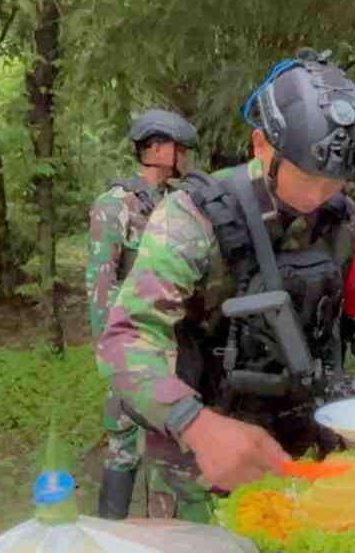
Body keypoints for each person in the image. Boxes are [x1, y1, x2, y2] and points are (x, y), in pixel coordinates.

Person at [96, 51, 355, 521]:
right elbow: (125, 339)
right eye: (308, 177)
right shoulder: (193, 217)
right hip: (203, 462)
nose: (319, 196)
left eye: (335, 182)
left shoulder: (345, 222)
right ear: (261, 145)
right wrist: (196, 425)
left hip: (306, 446)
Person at [86, 108, 197, 519]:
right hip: (131, 346)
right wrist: (115, 361)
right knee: (123, 447)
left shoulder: (179, 205)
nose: (185, 154)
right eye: (179, 146)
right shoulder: (113, 205)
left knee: (167, 452)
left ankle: (163, 538)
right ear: (154, 148)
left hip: (176, 347)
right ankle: (107, 535)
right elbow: (100, 289)